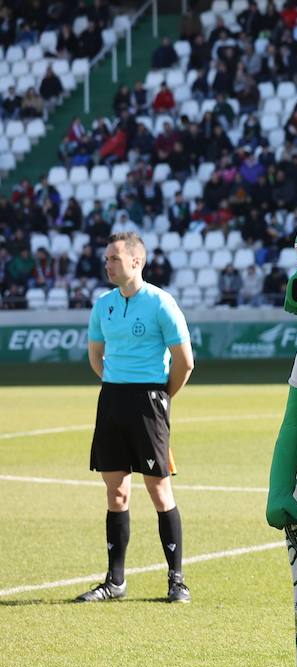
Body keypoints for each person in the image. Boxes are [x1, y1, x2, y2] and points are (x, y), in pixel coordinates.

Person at [77, 232, 195, 603]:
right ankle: (115, 582)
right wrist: (116, 383)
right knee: (116, 492)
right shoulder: (103, 305)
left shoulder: (161, 303)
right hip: (112, 398)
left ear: (136, 262)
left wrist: (160, 397)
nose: (107, 264)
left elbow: (185, 361)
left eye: (114, 258)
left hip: (149, 399)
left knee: (159, 489)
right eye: (107, 258)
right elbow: (96, 355)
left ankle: (177, 581)